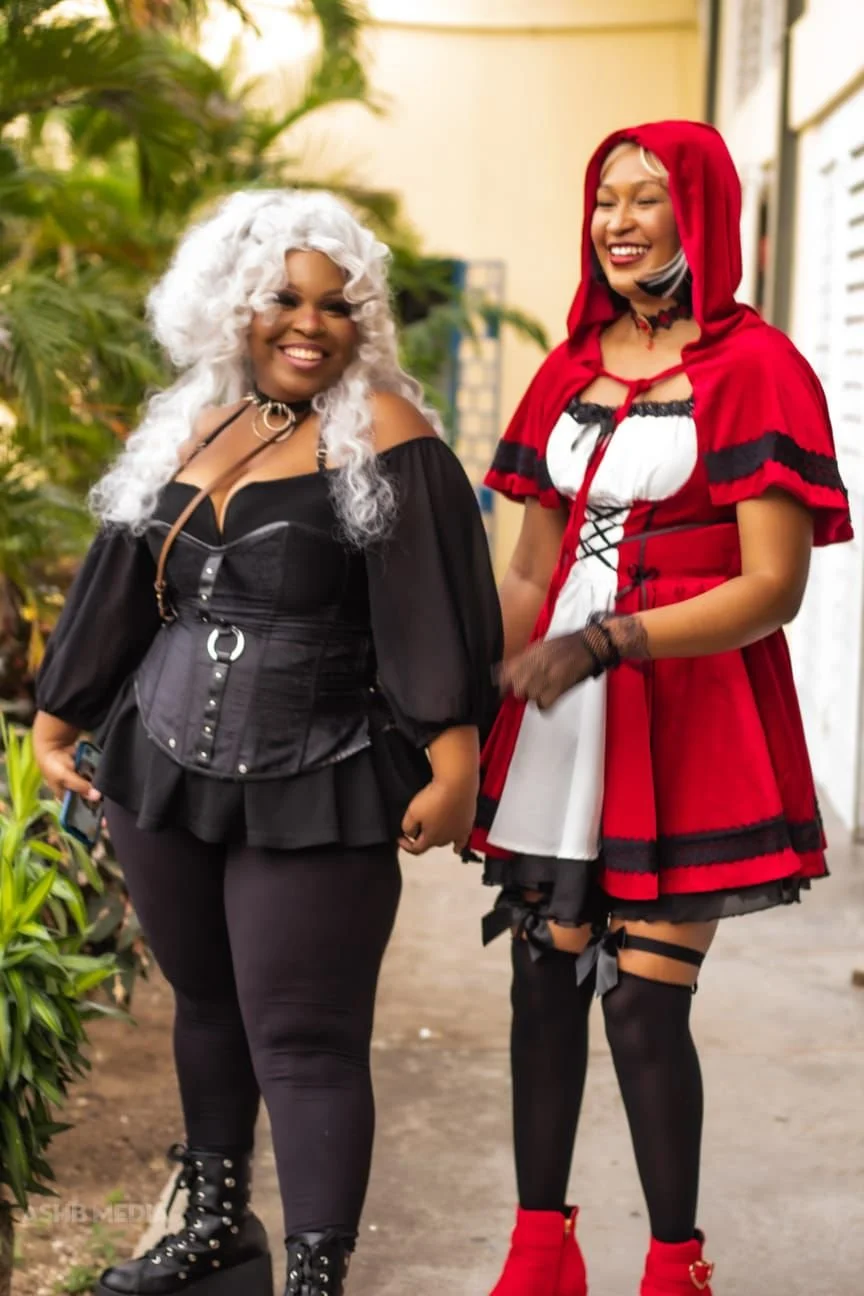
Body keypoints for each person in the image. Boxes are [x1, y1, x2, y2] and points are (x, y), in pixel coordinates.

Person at [33, 189, 502, 1296]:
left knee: (306, 1037)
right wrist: (61, 716)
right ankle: (214, 1229)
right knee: (205, 1004)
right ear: (234, 308)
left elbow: (434, 606)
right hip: (163, 766)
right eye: (284, 300)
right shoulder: (198, 422)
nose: (310, 323)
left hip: (323, 765)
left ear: (363, 321)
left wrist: (454, 754)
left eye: (337, 306)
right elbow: (126, 585)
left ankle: (315, 1276)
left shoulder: (390, 434)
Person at [470, 120, 851, 1296]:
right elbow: (530, 569)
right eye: (604, 201)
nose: (619, 223)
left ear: (702, 210)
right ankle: (542, 1255)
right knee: (544, 981)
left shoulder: (759, 368)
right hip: (560, 721)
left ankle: (673, 1266)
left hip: (689, 716)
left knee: (639, 1003)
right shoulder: (566, 369)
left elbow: (770, 590)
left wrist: (611, 640)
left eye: (646, 198)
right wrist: (467, 695)